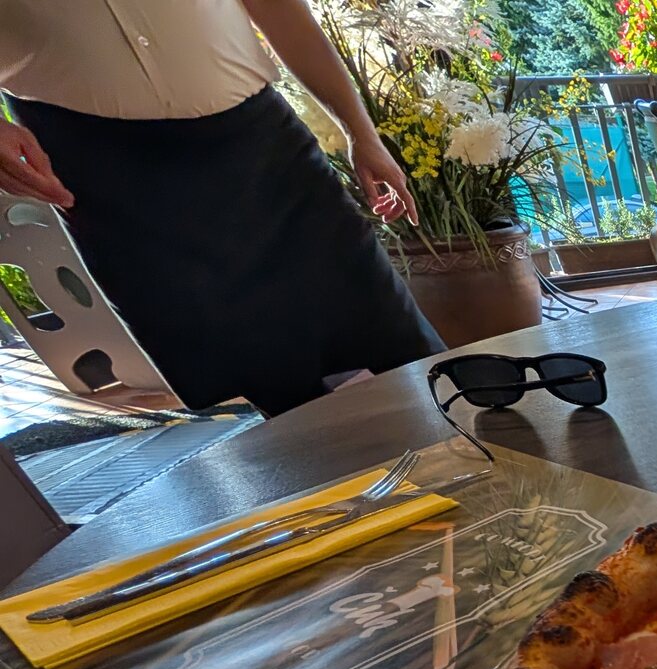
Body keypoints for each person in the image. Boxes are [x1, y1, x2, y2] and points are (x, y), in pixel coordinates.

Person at [0, 0, 444, 417]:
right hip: (103, 178)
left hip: (268, 150)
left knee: (404, 351)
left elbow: (279, 10)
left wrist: (361, 133)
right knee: (243, 396)